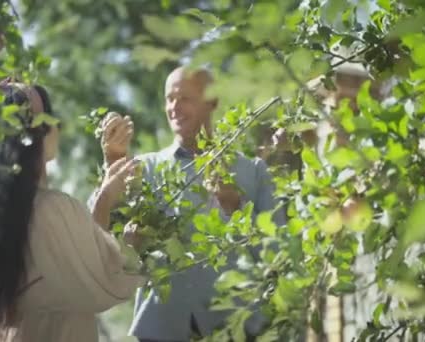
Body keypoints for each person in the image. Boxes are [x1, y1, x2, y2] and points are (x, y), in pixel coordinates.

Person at [95, 66, 286, 341]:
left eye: (184, 98)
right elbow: (100, 231)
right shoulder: (143, 169)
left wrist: (236, 207)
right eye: (169, 98)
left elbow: (276, 255)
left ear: (212, 101)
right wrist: (111, 162)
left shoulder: (252, 172)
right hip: (160, 329)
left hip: (234, 329)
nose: (174, 107)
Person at [0, 81, 144, 342]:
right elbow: (107, 278)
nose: (56, 125)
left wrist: (108, 185)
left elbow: (78, 263)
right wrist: (134, 241)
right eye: (45, 115)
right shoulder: (51, 210)